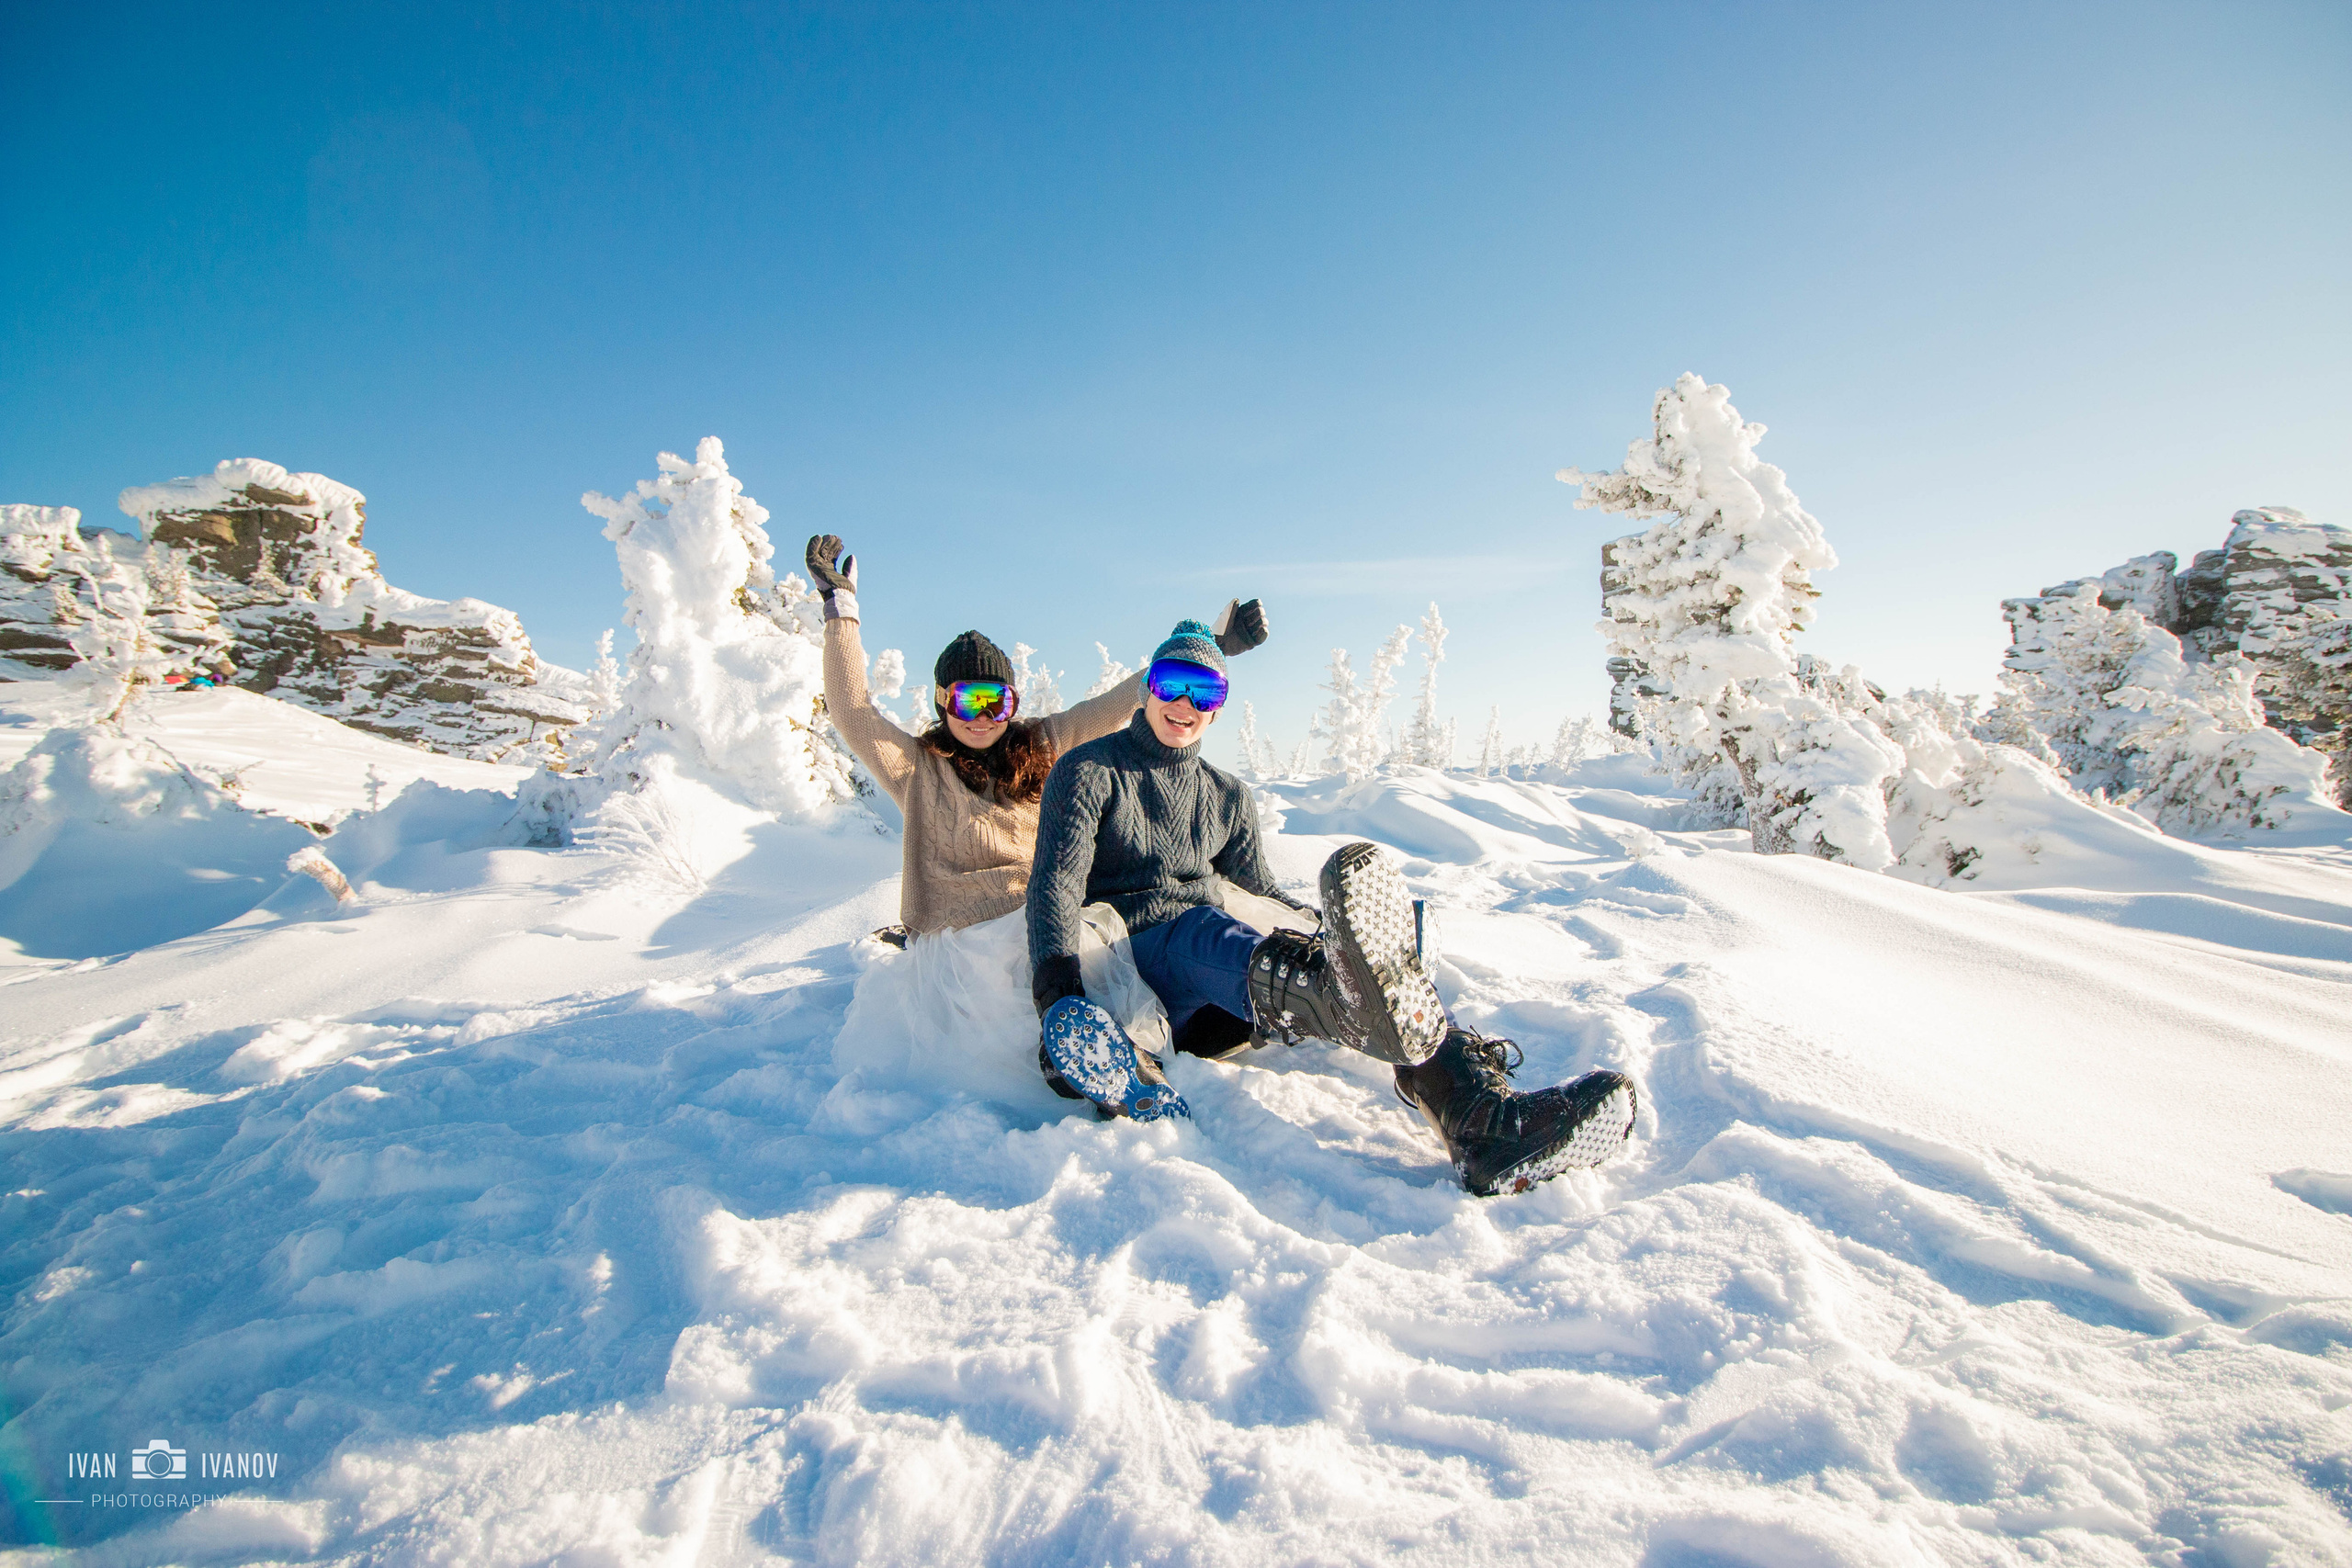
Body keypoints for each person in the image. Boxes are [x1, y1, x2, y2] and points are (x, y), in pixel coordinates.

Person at [1025, 619, 1637, 1197]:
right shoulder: (1089, 771)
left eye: (1204, 689)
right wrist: (1058, 992)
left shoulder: (1228, 794)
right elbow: (1055, 882)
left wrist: (1333, 937)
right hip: (1146, 958)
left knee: (1360, 972)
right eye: (1170, 683)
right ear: (1149, 687)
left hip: (1232, 999)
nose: (1185, 702)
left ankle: (1478, 1119)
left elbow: (1260, 891)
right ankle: (1333, 992)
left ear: (1218, 704)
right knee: (1204, 927)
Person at [803, 534, 1268, 937]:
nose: (983, 717)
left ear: (1013, 705)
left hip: (1048, 921)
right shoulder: (917, 768)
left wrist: (1209, 650)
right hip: (965, 946)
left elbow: (1118, 703)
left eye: (997, 702)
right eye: (970, 700)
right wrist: (840, 610)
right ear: (944, 701)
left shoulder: (1039, 747)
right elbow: (851, 711)